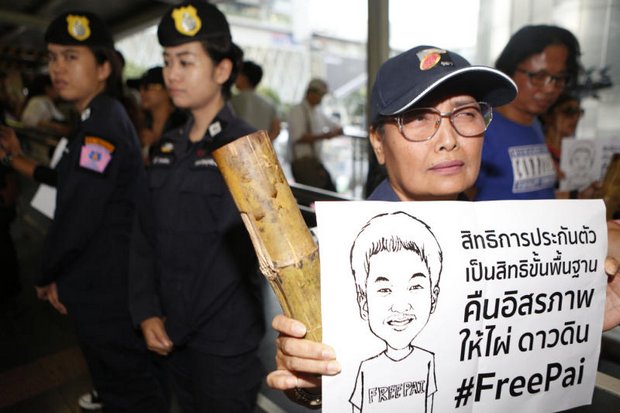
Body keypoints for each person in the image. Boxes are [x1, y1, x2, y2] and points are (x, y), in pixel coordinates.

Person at [264, 45, 620, 409]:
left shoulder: (498, 246)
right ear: (378, 143)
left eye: (465, 114)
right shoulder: (343, 260)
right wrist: (311, 383)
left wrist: (572, 318)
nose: (448, 139)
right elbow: (327, 382)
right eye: (418, 117)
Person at [2, 10, 168, 412]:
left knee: (128, 390)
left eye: (71, 57)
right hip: (108, 279)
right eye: (54, 57)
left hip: (105, 286)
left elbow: (78, 214)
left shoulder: (100, 129)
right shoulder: (101, 118)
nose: (57, 68)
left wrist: (46, 273)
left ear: (103, 68)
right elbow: (74, 184)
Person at [129, 2, 265, 412]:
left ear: (222, 71)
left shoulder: (246, 148)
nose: (171, 74)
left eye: (186, 62)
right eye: (168, 61)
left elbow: (234, 259)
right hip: (171, 330)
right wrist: (147, 310)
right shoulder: (169, 146)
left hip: (222, 340)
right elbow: (144, 234)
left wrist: (176, 324)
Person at [472, 24, 599, 201]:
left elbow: (533, 198)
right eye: (539, 77)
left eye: (559, 79)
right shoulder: (481, 130)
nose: (550, 88)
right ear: (508, 70)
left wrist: (576, 196)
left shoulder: (534, 124)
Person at [349, 212, 442, 412]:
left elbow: (430, 406)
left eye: (415, 287)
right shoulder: (366, 369)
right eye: (384, 290)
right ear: (363, 303)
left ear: (433, 297)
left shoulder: (427, 361)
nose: (400, 306)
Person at [287, 77, 343, 191]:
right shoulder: (297, 111)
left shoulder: (317, 111)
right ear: (311, 93)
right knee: (318, 195)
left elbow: (334, 124)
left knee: (320, 195)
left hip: (314, 161)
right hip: (302, 162)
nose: (321, 99)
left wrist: (336, 130)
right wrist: (325, 136)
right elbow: (298, 137)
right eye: (320, 95)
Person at [137, 66, 187, 162]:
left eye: (148, 87)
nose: (141, 92)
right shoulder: (140, 122)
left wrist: (157, 144)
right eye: (140, 88)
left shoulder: (183, 124)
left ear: (169, 90)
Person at [230, 60, 281, 140]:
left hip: (236, 149)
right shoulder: (270, 103)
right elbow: (277, 130)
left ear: (244, 78)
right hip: (260, 149)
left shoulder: (233, 101)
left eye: (238, 74)